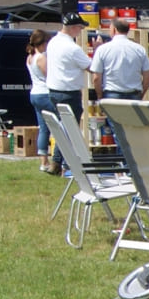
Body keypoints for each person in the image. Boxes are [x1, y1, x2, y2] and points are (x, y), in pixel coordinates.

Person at [44, 12, 92, 176]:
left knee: (64, 128)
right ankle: (61, 162)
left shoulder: (53, 43)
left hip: (54, 90)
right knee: (69, 129)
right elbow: (91, 66)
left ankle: (58, 162)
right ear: (73, 28)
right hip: (69, 91)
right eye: (79, 28)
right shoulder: (72, 48)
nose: (80, 31)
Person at [90, 20, 149, 104]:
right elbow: (147, 76)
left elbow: (96, 78)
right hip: (134, 94)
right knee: (132, 117)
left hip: (112, 94)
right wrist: (142, 94)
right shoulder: (139, 49)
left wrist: (100, 96)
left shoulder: (102, 49)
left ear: (114, 30)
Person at [25, 29, 56, 173]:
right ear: (42, 43)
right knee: (59, 124)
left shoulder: (29, 58)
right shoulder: (42, 58)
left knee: (43, 128)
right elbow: (49, 76)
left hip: (34, 93)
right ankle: (58, 158)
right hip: (45, 93)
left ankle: (43, 161)